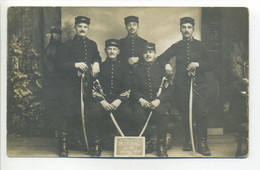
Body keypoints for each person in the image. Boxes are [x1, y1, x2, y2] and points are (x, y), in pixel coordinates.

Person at [157, 17, 214, 156]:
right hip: (181, 86)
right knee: (185, 114)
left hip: (198, 86)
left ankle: (202, 143)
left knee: (201, 113)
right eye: (184, 27)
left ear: (193, 29)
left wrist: (198, 64)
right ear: (180, 29)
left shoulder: (201, 46)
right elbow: (160, 58)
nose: (186, 30)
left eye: (189, 27)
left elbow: (212, 64)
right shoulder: (176, 46)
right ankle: (188, 140)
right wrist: (167, 64)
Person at [57, 16, 101, 157]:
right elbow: (59, 65)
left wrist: (96, 63)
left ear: (88, 29)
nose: (82, 29)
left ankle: (92, 144)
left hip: (87, 86)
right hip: (70, 86)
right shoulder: (66, 45)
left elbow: (97, 57)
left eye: (85, 27)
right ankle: (63, 145)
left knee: (89, 112)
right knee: (67, 112)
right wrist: (75, 65)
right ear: (75, 28)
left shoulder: (92, 44)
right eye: (80, 26)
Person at [87, 39, 133, 157]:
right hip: (102, 101)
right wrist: (102, 102)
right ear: (105, 51)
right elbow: (93, 86)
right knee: (93, 113)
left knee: (128, 113)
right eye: (109, 49)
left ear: (118, 51)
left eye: (114, 49)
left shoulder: (124, 67)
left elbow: (127, 86)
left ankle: (122, 143)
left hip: (119, 101)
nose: (112, 51)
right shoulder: (99, 67)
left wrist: (118, 101)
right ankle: (97, 144)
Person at [131, 42, 172, 157]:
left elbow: (169, 90)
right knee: (138, 114)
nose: (148, 55)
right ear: (142, 54)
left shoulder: (161, 68)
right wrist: (141, 100)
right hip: (142, 101)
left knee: (160, 113)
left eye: (150, 52)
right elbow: (133, 88)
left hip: (160, 101)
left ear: (155, 53)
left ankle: (161, 145)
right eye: (145, 53)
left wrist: (158, 100)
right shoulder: (136, 69)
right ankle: (147, 142)